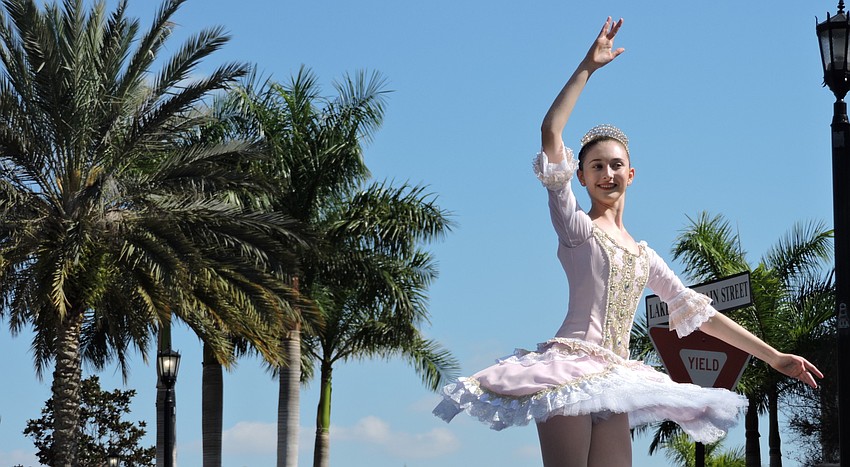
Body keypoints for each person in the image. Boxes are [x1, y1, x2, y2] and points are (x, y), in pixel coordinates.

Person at [432, 17, 823, 467]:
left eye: (615, 164)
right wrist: (587, 67)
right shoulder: (576, 228)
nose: (607, 173)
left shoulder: (644, 255)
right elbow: (549, 134)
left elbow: (702, 314)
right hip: (568, 374)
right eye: (595, 166)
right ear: (579, 177)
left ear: (631, 175)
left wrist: (774, 357)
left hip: (615, 380)